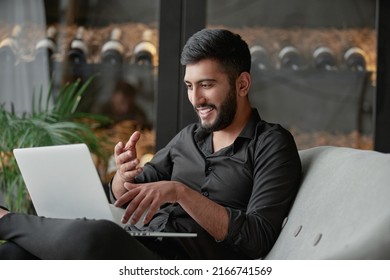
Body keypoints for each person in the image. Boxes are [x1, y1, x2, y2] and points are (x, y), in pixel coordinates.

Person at [0, 28, 302, 260]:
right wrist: (123, 177)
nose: (196, 99)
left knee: (94, 237)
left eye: (207, 85)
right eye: (189, 86)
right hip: (139, 245)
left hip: (180, 266)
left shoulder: (271, 145)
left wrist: (181, 193)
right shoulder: (188, 138)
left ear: (242, 84)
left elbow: (258, 236)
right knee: (16, 254)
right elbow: (125, 196)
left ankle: (5, 219)